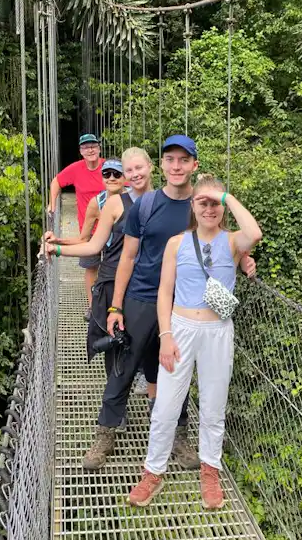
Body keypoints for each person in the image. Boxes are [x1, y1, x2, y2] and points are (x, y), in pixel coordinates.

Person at [79, 135, 256, 473]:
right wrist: (116, 307)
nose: (176, 166)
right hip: (143, 296)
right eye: (170, 160)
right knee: (124, 366)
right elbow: (127, 257)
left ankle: (178, 435)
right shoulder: (145, 205)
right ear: (161, 164)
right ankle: (105, 432)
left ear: (194, 165)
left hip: (185, 305)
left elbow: (220, 240)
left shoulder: (203, 203)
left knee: (175, 370)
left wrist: (246, 259)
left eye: (183, 160)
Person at [128, 175, 262, 510]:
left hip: (218, 332)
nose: (209, 208)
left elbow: (255, 233)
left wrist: (224, 194)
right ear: (192, 205)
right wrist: (165, 336)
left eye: (214, 203)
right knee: (166, 407)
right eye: (202, 201)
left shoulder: (233, 243)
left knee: (214, 406)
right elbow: (163, 292)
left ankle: (210, 470)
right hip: (181, 328)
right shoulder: (177, 243)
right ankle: (153, 472)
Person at [46, 149, 154, 404]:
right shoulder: (103, 203)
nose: (113, 178)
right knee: (116, 342)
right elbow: (91, 242)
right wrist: (58, 246)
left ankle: (151, 399)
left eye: (118, 173)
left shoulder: (158, 200)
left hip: (146, 282)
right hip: (113, 276)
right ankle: (117, 409)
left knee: (146, 340)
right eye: (109, 174)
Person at [48, 133, 104, 311]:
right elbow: (56, 181)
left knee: (115, 268)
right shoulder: (76, 169)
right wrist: (52, 203)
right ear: (81, 151)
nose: (90, 150)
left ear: (99, 148)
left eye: (93, 146)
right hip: (87, 231)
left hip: (112, 228)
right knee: (91, 268)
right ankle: (92, 306)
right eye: (86, 147)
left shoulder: (108, 168)